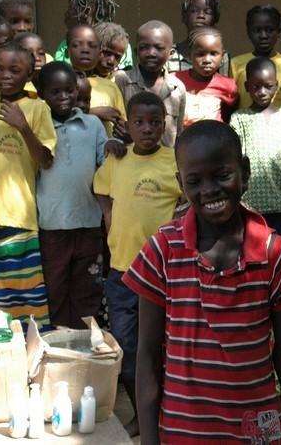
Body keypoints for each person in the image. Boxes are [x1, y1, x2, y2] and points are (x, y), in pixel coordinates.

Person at [124, 120, 281, 445]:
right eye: (195, 181)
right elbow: (147, 355)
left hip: (259, 432)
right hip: (183, 434)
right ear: (180, 184)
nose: (210, 190)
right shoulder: (162, 251)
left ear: (244, 171)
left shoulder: (275, 252)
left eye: (222, 175)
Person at [93, 91, 183, 436]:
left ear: (165, 124)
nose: (147, 129)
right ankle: (142, 414)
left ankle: (168, 414)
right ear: (126, 125)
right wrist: (107, 213)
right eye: (139, 123)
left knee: (165, 348)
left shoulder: (174, 160)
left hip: (163, 275)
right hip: (122, 272)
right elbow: (101, 190)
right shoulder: (117, 159)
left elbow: (189, 199)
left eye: (155, 122)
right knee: (128, 349)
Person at [0, 43, 56, 328]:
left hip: (20, 217)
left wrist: (23, 127)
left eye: (14, 70)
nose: (5, 75)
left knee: (26, 291)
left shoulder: (37, 108)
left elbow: (45, 160)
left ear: (28, 75)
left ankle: (30, 349)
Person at [36, 62, 108, 329]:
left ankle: (82, 343)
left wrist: (113, 147)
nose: (64, 96)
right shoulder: (38, 125)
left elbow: (104, 165)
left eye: (70, 90)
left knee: (87, 287)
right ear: (42, 93)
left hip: (89, 222)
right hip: (52, 225)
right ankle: (55, 342)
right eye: (56, 91)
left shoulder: (92, 125)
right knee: (54, 285)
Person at [229, 57, 281, 235]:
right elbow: (235, 156)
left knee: (280, 245)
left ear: (276, 85)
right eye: (256, 87)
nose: (262, 92)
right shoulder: (239, 118)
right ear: (246, 86)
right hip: (250, 200)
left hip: (280, 198)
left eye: (268, 86)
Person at [115, 20, 186, 147]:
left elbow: (179, 134)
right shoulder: (122, 80)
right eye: (144, 47)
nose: (151, 53)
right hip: (131, 160)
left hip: (164, 163)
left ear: (170, 54)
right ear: (136, 52)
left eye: (159, 48)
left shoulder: (177, 88)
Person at [230, 5, 281, 110]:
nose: (263, 36)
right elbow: (231, 101)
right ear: (249, 32)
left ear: (279, 31)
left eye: (270, 30)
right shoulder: (236, 64)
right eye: (257, 30)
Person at [67, 24, 127, 138]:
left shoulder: (111, 87)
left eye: (117, 57)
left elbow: (122, 122)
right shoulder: (64, 80)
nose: (110, 61)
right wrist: (94, 113)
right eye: (106, 53)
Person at [55, 0, 133, 70]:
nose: (66, 14)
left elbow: (122, 76)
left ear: (86, 12)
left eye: (71, 8)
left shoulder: (118, 42)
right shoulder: (65, 44)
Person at [174, 26, 237, 125]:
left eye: (213, 54)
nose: (207, 60)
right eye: (200, 54)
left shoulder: (228, 86)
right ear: (190, 55)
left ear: (222, 56)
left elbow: (230, 115)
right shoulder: (175, 80)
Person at [167, 0, 229, 76]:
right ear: (184, 17)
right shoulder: (170, 53)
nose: (201, 15)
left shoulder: (222, 56)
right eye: (194, 11)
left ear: (215, 20)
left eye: (208, 12)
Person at [13, 32, 46, 97]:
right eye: (30, 53)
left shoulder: (52, 84)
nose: (37, 58)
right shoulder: (14, 89)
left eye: (41, 53)